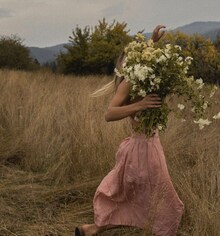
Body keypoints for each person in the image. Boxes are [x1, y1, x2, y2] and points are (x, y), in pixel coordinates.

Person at [75, 25, 184, 236]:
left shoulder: (145, 78)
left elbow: (147, 63)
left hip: (149, 145)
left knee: (139, 198)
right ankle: (94, 229)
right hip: (142, 148)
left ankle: (91, 230)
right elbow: (110, 113)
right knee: (169, 205)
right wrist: (140, 105)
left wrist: (154, 42)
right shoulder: (129, 81)